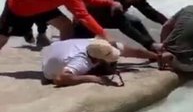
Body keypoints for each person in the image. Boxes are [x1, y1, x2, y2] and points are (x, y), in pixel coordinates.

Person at [72, 0, 168, 52]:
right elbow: (125, 27)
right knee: (85, 51)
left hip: (107, 19)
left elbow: (150, 12)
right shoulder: (114, 3)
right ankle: (152, 46)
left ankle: (153, 50)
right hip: (85, 23)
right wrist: (149, 43)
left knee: (135, 21)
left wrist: (168, 23)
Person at [42, 38, 174, 87]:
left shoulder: (100, 45)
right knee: (106, 72)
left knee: (114, 47)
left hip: (59, 48)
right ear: (97, 60)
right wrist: (92, 78)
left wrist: (158, 57)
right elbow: (60, 79)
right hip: (50, 67)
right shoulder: (82, 62)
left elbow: (136, 52)